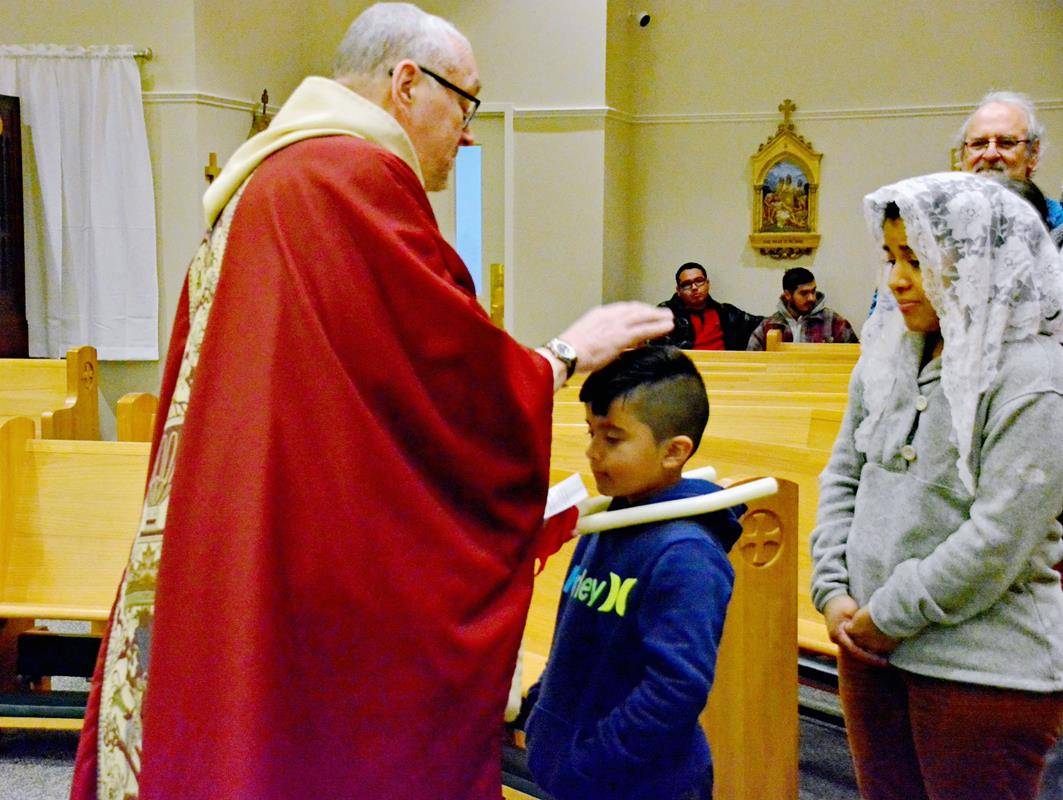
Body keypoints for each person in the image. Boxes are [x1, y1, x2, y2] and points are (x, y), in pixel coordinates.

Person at [70, 5, 673, 800]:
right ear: (406, 83)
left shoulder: (270, 180)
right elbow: (448, 382)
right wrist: (563, 356)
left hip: (244, 526)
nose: (467, 134)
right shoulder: (350, 180)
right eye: (466, 103)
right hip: (310, 557)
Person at [810, 172, 1063, 800]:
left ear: (980, 265)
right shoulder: (889, 352)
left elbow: (999, 538)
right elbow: (846, 472)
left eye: (917, 260)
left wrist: (887, 616)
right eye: (891, 256)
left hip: (978, 669)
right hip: (870, 647)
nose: (896, 278)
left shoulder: (1033, 376)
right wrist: (833, 588)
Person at [523, 346, 743, 800]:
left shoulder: (686, 554)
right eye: (590, 433)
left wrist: (589, 763)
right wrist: (537, 712)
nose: (591, 453)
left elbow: (675, 690)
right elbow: (574, 639)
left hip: (638, 784)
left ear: (674, 452)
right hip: (580, 775)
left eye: (612, 438)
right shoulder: (610, 521)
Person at [958, 91, 1063, 236]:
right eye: (978, 143)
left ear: (1033, 154)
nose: (990, 154)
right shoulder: (935, 225)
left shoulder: (1059, 227)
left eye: (1006, 143)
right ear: (962, 156)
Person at [657, 262, 762, 350]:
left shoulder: (726, 312)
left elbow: (762, 323)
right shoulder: (666, 314)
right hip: (685, 371)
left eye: (699, 281)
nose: (694, 287)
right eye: (686, 284)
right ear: (678, 290)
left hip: (725, 368)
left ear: (707, 284)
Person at [746, 267, 858, 349]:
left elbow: (857, 358)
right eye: (804, 293)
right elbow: (751, 362)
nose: (811, 298)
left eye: (813, 291)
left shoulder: (834, 321)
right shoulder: (769, 325)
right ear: (788, 295)